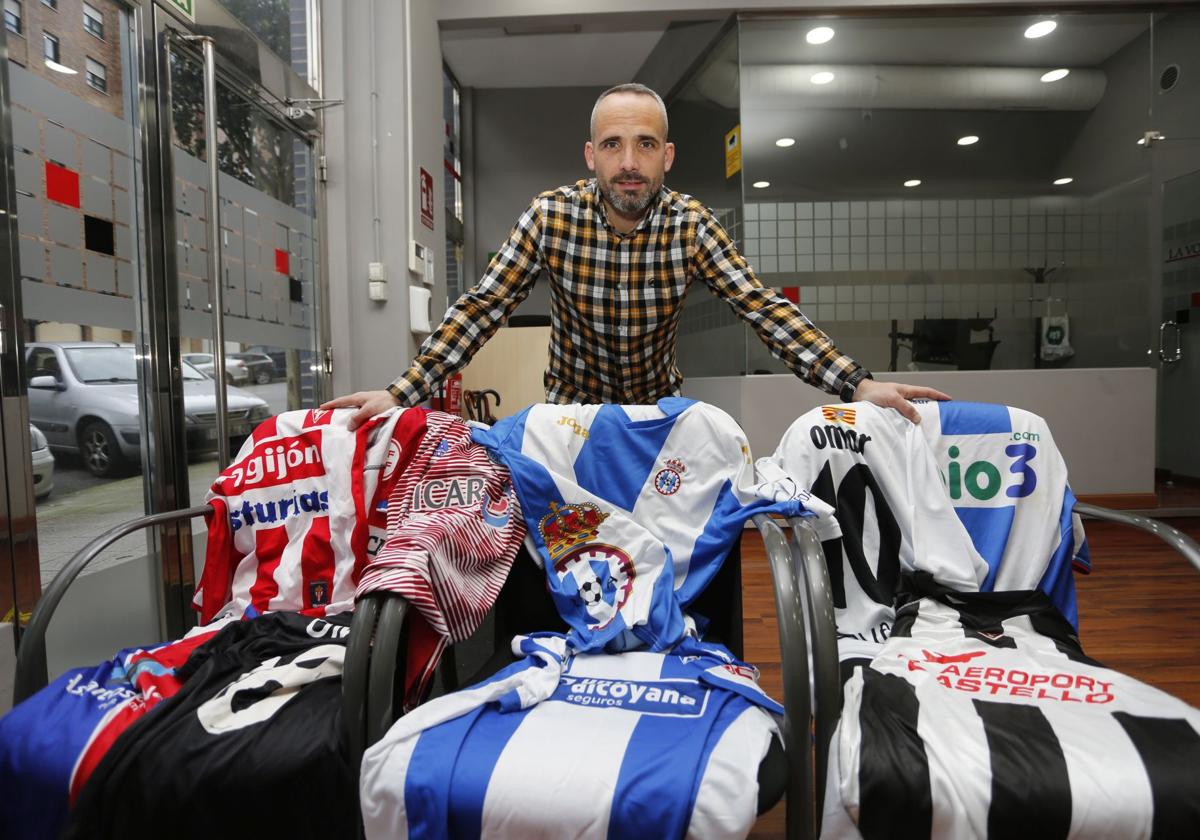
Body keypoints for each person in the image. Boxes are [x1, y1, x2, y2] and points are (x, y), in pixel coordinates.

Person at [324, 83, 947, 427]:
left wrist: (856, 382)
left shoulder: (691, 225)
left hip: (659, 414)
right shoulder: (550, 217)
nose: (629, 162)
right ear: (589, 155)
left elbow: (762, 309)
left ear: (666, 157)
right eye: (613, 144)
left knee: (670, 559)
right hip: (570, 416)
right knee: (561, 559)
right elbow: (482, 307)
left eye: (645, 144)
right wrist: (403, 392)